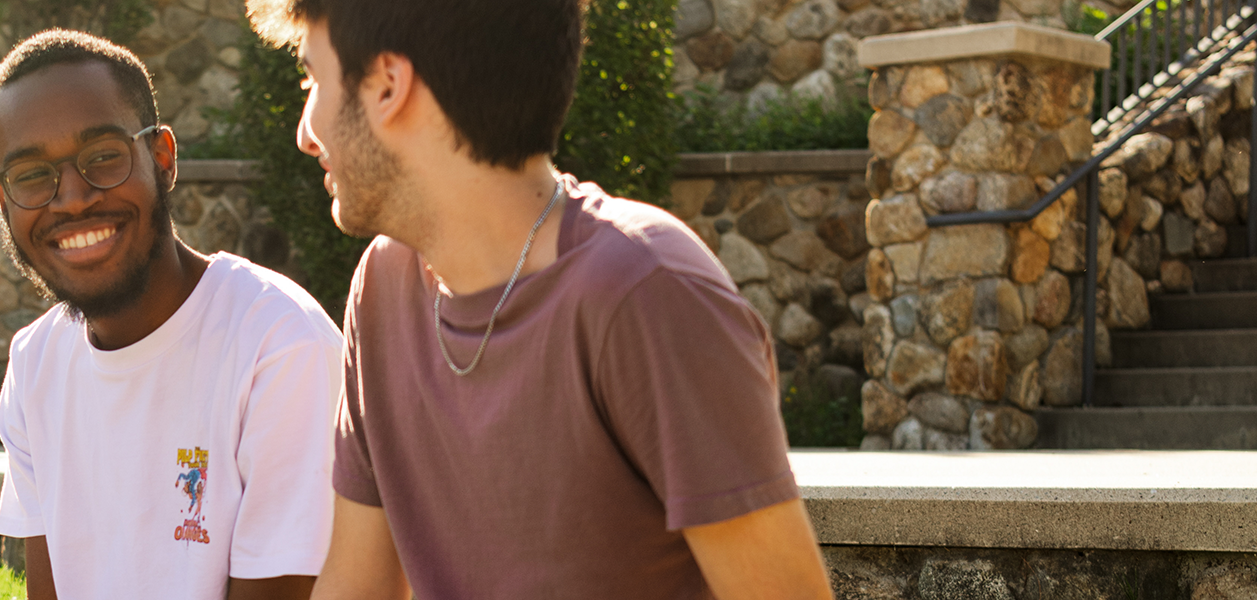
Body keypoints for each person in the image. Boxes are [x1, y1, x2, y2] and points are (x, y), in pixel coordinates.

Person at [245, 1, 838, 598]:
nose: (303, 133)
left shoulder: (648, 294)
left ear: (388, 86)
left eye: (312, 78)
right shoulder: (382, 288)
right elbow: (356, 587)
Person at [0, 29, 343, 600]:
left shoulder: (279, 345)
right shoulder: (35, 362)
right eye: (31, 176)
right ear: (3, 198)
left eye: (102, 157)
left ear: (162, 158)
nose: (71, 198)